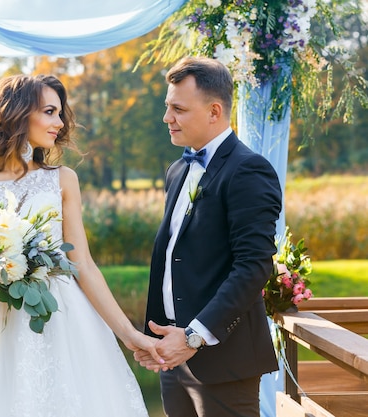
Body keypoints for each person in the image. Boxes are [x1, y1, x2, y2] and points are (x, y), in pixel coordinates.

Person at [0, 74, 160, 417]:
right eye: (50, 112)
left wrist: (130, 334)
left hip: (62, 320)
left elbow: (83, 264)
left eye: (60, 114)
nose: (60, 123)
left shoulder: (63, 179)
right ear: (18, 113)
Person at [134, 57, 283, 416]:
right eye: (167, 107)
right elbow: (175, 255)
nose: (166, 118)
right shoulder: (178, 169)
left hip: (223, 362)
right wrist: (158, 338)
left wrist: (193, 337)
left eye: (178, 109)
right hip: (173, 358)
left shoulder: (249, 170)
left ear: (214, 111)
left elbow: (253, 267)